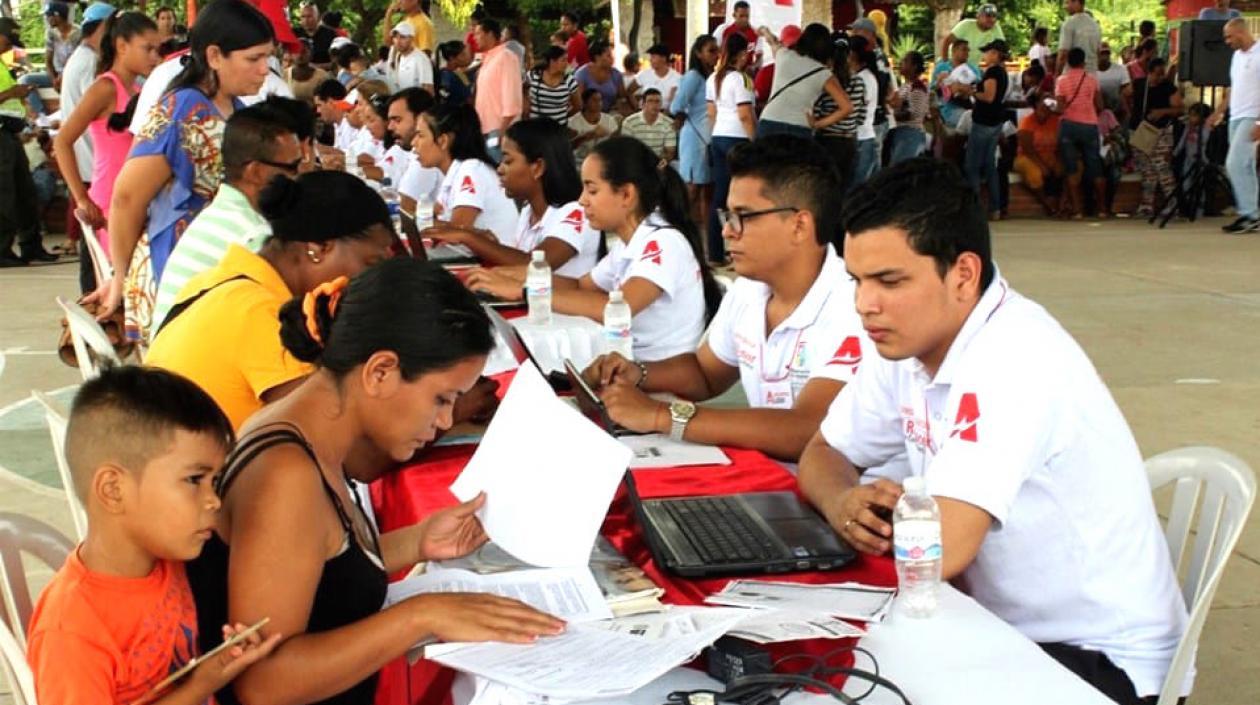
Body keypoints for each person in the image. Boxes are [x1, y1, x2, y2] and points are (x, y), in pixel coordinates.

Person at [803, 158, 1191, 705]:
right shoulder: (907, 339)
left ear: (963, 274)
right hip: (992, 627)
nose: (865, 304)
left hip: (1099, 662)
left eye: (889, 280)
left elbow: (939, 552)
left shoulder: (1013, 358)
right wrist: (842, 500)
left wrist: (862, 517)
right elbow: (823, 450)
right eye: (857, 281)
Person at [185, 257, 565, 705]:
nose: (446, 420)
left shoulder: (299, 432)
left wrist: (418, 541)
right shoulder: (286, 475)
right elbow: (262, 682)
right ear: (380, 371)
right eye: (442, 399)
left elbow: (315, 566)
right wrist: (419, 616)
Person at [580, 135, 865, 461]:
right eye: (727, 216)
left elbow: (808, 429)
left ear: (799, 225)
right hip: (768, 472)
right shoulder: (749, 289)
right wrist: (638, 372)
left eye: (743, 215)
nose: (727, 231)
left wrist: (660, 415)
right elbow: (705, 374)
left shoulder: (852, 306)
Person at [25, 365, 281, 705]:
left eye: (215, 481)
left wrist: (220, 663)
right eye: (194, 480)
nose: (214, 500)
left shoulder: (167, 561)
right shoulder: (72, 631)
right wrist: (200, 686)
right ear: (113, 490)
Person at [147, 170, 395, 430]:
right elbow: (331, 428)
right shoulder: (261, 313)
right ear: (319, 248)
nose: (373, 279)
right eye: (371, 263)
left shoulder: (223, 281)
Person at [93, 0, 276, 342]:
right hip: (176, 272)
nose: (265, 69)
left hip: (212, 268)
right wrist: (120, 276)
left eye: (268, 57)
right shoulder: (181, 110)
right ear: (215, 56)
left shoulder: (233, 107)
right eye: (254, 59)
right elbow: (127, 197)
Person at [468, 137, 721, 361]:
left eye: (592, 190)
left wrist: (526, 292)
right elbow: (581, 286)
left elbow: (616, 308)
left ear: (626, 195)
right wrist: (512, 276)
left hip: (654, 377)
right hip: (626, 362)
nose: (582, 200)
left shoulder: (664, 242)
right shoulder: (628, 244)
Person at [150, 103, 302, 333]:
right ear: (255, 172)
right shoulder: (252, 235)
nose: (299, 176)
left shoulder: (222, 214)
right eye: (293, 167)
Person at [425, 118, 599, 277]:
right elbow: (518, 262)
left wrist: (468, 237)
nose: (500, 169)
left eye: (508, 161)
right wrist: (490, 244)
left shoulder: (576, 213)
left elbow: (532, 265)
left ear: (538, 167)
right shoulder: (528, 211)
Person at [54, 10, 160, 258]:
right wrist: (82, 198)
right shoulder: (105, 88)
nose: (155, 57)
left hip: (135, 200)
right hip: (109, 202)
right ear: (122, 46)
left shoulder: (138, 90)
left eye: (158, 49)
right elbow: (62, 141)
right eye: (148, 49)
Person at [54, 1, 115, 289]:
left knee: (93, 251)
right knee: (96, 255)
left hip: (89, 163)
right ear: (104, 28)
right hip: (93, 165)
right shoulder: (91, 64)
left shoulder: (81, 58)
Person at [412, 102, 518, 243]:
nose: (413, 143)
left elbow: (458, 232)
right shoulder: (455, 172)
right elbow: (433, 216)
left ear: (443, 141)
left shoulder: (472, 170)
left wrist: (422, 222)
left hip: (494, 256)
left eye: (420, 135)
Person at [0, 17, 57, 267]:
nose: (9, 48)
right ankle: (2, 250)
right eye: (7, 41)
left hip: (12, 133)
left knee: (25, 192)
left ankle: (31, 245)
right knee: (5, 194)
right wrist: (13, 93)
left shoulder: (3, 64)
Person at [706, 32, 755, 266]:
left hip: (718, 136)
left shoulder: (713, 78)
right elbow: (745, 115)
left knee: (719, 196)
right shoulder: (741, 79)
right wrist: (755, 141)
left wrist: (715, 136)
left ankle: (715, 253)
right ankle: (740, 249)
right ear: (742, 54)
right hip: (738, 138)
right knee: (741, 197)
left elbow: (711, 113)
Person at [1209, 19, 1259, 234]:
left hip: (1252, 115)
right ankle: (1252, 213)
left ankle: (1250, 214)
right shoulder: (1237, 57)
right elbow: (1234, 88)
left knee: (1234, 163)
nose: (1227, 41)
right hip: (1236, 116)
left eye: (1229, 36)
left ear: (1241, 33)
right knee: (1245, 165)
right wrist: (1218, 111)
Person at [757, 23, 850, 140]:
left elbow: (773, 41)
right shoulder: (824, 74)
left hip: (769, 121)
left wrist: (764, 30)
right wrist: (818, 124)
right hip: (799, 126)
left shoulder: (784, 55)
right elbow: (847, 107)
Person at [671, 34, 717, 229]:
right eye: (711, 51)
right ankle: (679, 229)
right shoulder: (693, 77)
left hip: (708, 137)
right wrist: (681, 117)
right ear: (699, 54)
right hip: (695, 136)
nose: (716, 55)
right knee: (692, 189)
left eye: (717, 50)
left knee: (707, 189)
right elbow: (677, 105)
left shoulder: (711, 76)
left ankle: (707, 235)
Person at [1055, 47, 1107, 219]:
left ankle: (1077, 210)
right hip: (1089, 125)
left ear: (1068, 63)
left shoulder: (1061, 81)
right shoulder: (1092, 80)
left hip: (1068, 125)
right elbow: (1100, 105)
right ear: (1084, 62)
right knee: (1095, 166)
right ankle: (1102, 209)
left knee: (1071, 168)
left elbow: (1060, 107)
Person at [1129, 58, 1182, 218]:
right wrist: (1131, 112)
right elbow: (1125, 94)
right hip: (1140, 131)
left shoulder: (1168, 87)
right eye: (1158, 74)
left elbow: (1179, 108)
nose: (1161, 77)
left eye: (1162, 74)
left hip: (1162, 132)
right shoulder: (1139, 84)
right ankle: (1146, 205)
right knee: (1147, 170)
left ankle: (1173, 204)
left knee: (1163, 168)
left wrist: (1162, 112)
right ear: (1150, 72)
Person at [966, 39, 1010, 221]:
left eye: (987, 52)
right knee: (989, 165)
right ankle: (995, 207)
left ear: (995, 54)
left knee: (973, 165)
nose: (985, 55)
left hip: (984, 122)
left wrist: (971, 92)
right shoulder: (1003, 72)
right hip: (995, 122)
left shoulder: (993, 72)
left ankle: (975, 209)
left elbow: (989, 97)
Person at [385, 86, 442, 214]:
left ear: (420, 119)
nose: (390, 127)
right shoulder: (411, 151)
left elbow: (404, 208)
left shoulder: (427, 157)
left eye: (397, 120)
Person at [473, 18, 522, 162]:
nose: (475, 38)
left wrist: (503, 130)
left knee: (501, 170)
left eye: (478, 33)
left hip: (499, 129)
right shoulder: (488, 58)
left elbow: (511, 97)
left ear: (490, 34)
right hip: (485, 128)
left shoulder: (506, 57)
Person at [19, 2, 81, 115]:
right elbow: (48, 60)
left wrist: (63, 77)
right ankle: (42, 116)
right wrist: (54, 80)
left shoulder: (78, 33)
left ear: (57, 16)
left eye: (48, 15)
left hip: (73, 74)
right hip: (56, 75)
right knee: (25, 80)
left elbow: (75, 60)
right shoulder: (51, 33)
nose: (47, 19)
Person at [1013, 97, 1064, 215]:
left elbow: (1061, 145)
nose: (1045, 109)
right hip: (1027, 156)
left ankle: (1061, 202)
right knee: (1035, 174)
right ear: (1036, 106)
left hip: (1050, 155)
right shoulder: (1027, 121)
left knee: (1062, 170)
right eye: (1042, 105)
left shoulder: (1057, 121)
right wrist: (1041, 165)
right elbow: (1027, 149)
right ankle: (1047, 204)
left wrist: (1059, 161)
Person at [846, 40, 880, 192]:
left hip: (861, 138)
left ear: (852, 55)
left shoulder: (862, 79)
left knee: (856, 188)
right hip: (864, 137)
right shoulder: (865, 77)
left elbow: (856, 110)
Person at [888, 51, 929, 165]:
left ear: (914, 66)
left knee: (900, 167)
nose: (901, 63)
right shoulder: (906, 86)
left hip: (910, 133)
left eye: (905, 61)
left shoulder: (917, 87)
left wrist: (891, 115)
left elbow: (913, 114)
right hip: (903, 132)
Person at [938, 3, 1004, 72]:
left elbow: (1002, 50)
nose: (992, 19)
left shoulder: (995, 28)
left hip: (971, 68)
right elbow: (947, 41)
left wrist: (1001, 71)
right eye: (988, 16)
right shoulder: (966, 24)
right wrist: (945, 64)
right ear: (978, 16)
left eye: (994, 16)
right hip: (952, 63)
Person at [618, 88, 677, 163]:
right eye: (650, 101)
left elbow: (670, 151)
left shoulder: (669, 123)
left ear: (661, 104)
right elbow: (627, 149)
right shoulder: (629, 122)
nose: (654, 105)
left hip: (658, 161)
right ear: (642, 104)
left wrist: (664, 161)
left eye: (657, 101)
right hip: (636, 162)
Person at [526, 46, 579, 123]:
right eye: (563, 60)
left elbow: (578, 105)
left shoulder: (569, 80)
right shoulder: (533, 75)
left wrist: (563, 117)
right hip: (534, 125)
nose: (566, 64)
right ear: (552, 61)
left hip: (558, 127)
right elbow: (523, 95)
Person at [575, 39, 629, 114]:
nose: (612, 58)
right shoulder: (582, 74)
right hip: (587, 115)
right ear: (597, 57)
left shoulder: (616, 75)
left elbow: (622, 98)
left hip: (610, 115)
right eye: (608, 56)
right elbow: (578, 101)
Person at [569, 88, 620, 161]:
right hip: (580, 160)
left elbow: (616, 143)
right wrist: (587, 136)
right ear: (584, 103)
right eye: (594, 100)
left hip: (603, 160)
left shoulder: (609, 120)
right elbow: (568, 146)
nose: (599, 103)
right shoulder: (572, 122)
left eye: (600, 100)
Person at [387, 21, 434, 94]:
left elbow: (428, 89)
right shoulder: (398, 57)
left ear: (412, 38)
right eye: (395, 37)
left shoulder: (421, 58)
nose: (398, 41)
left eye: (403, 37)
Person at [1057, 0, 1102, 74]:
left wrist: (1057, 75)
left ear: (1077, 2)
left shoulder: (1069, 23)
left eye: (1067, 2)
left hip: (1072, 75)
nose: (1064, 7)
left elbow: (1063, 54)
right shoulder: (1095, 25)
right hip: (1092, 74)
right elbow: (1098, 53)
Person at [314, 78, 356, 153]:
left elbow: (354, 158)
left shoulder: (352, 124)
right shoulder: (337, 124)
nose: (318, 111)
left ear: (331, 103)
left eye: (319, 105)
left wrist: (323, 149)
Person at [635, 44, 681, 108]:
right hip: (645, 112)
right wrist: (636, 107)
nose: (650, 60)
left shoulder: (676, 78)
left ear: (663, 58)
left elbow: (674, 102)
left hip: (665, 112)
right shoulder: (644, 74)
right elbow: (629, 91)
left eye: (653, 57)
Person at [1094, 42, 1132, 119]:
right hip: (1097, 112)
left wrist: (1127, 110)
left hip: (1118, 111)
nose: (1105, 56)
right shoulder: (1090, 71)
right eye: (1102, 53)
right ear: (1097, 54)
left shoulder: (1121, 69)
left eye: (1107, 53)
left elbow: (1127, 90)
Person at [287, 38, 330, 103]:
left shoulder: (322, 76)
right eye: (296, 51)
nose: (300, 55)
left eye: (304, 52)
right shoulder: (284, 74)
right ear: (291, 54)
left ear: (311, 54)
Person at [294, 1, 335, 67]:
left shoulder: (330, 34)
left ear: (318, 17)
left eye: (309, 16)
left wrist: (316, 66)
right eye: (303, 17)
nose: (306, 20)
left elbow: (336, 62)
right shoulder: (294, 34)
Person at [436, 40, 473, 106]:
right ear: (452, 58)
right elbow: (469, 100)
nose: (467, 57)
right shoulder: (450, 78)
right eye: (463, 55)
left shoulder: (456, 73)